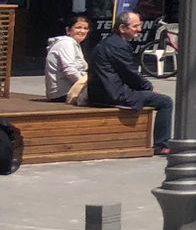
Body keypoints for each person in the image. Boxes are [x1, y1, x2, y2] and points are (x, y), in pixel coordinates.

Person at [87, 10, 173, 154]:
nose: (139, 30)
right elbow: (130, 73)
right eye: (135, 26)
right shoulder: (118, 46)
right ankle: (161, 145)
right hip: (112, 95)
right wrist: (149, 87)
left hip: (102, 92)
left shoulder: (109, 42)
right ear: (122, 28)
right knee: (165, 101)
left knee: (149, 95)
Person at [44, 13, 91, 104]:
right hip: (62, 93)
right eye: (78, 27)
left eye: (85, 28)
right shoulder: (66, 43)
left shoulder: (74, 44)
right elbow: (69, 70)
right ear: (68, 30)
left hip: (71, 90)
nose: (82, 31)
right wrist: (86, 86)